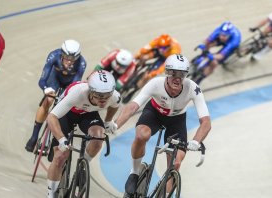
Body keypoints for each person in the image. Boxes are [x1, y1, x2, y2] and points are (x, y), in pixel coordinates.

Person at [115, 54, 211, 196]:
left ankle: (165, 194)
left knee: (175, 164)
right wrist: (115, 125)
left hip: (176, 120)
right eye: (173, 73)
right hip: (154, 113)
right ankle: (134, 173)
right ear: (167, 72)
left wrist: (196, 141)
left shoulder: (193, 88)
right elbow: (132, 106)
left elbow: (206, 122)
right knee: (142, 135)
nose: (177, 78)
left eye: (182, 74)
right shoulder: (155, 84)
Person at [45, 70, 120, 197]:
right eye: (99, 95)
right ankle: (51, 194)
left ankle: (82, 168)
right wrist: (62, 139)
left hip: (88, 113)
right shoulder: (78, 92)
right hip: (67, 113)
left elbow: (114, 105)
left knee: (98, 137)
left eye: (107, 96)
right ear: (90, 91)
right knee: (60, 156)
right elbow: (52, 117)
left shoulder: (114, 97)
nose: (103, 100)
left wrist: (108, 121)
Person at [25, 39, 87, 153]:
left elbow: (74, 85)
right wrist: (46, 89)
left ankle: (55, 138)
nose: (69, 61)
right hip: (54, 80)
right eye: (66, 57)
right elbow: (42, 80)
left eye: (73, 59)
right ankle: (34, 137)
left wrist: (65, 98)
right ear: (62, 54)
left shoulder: (82, 63)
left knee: (64, 108)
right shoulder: (54, 56)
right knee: (48, 100)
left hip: (69, 83)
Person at [125, 34, 181, 102]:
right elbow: (146, 48)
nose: (161, 49)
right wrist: (139, 56)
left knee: (147, 76)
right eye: (159, 47)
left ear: (169, 46)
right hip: (157, 52)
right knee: (142, 57)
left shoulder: (174, 51)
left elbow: (164, 67)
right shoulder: (158, 40)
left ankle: (133, 91)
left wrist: (153, 74)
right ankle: (133, 70)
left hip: (166, 58)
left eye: (163, 48)